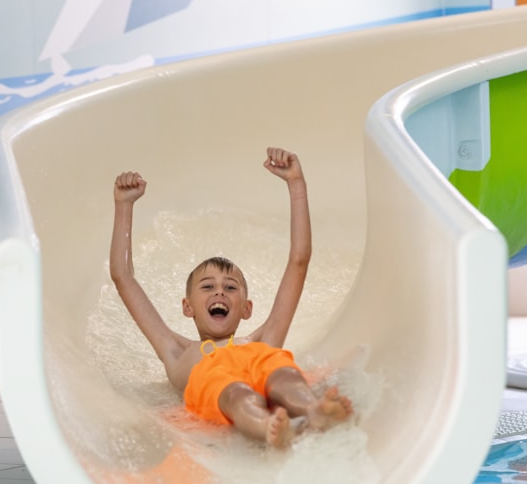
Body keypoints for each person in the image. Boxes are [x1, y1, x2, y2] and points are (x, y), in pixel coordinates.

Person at [110, 147, 352, 448]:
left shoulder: (263, 340)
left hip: (261, 362)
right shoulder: (175, 350)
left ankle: (313, 410)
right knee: (238, 395)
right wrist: (124, 207)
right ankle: (269, 428)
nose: (220, 292)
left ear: (246, 309)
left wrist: (296, 185)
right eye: (208, 287)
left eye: (231, 287)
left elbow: (299, 261)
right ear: (188, 307)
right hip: (216, 383)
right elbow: (124, 278)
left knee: (286, 376)